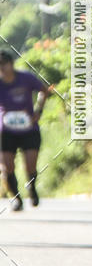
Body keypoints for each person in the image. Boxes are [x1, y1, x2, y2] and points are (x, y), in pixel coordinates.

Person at [0, 50, 50, 211]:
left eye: (4, 64)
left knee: (30, 165)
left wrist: (38, 111)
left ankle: (32, 188)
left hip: (29, 128)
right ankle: (16, 198)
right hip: (6, 130)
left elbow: (44, 90)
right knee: (7, 166)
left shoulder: (26, 78)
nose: (2, 68)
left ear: (11, 64)